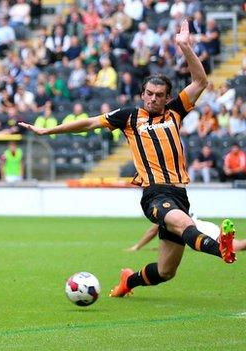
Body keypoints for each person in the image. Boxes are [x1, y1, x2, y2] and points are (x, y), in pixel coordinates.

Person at [19, 20, 237, 299]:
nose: (153, 99)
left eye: (159, 96)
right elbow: (88, 123)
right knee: (186, 225)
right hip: (155, 195)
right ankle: (219, 247)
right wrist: (49, 130)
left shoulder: (175, 112)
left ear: (167, 97)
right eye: (149, 94)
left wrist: (184, 46)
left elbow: (201, 81)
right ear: (142, 94)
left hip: (180, 194)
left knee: (165, 272)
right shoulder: (130, 117)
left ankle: (127, 282)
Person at [126, 215, 246, 252]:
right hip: (204, 226)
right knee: (234, 247)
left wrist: (137, 247)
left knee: (235, 247)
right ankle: (225, 238)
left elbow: (153, 231)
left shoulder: (167, 210)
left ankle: (226, 239)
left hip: (201, 231)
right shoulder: (177, 204)